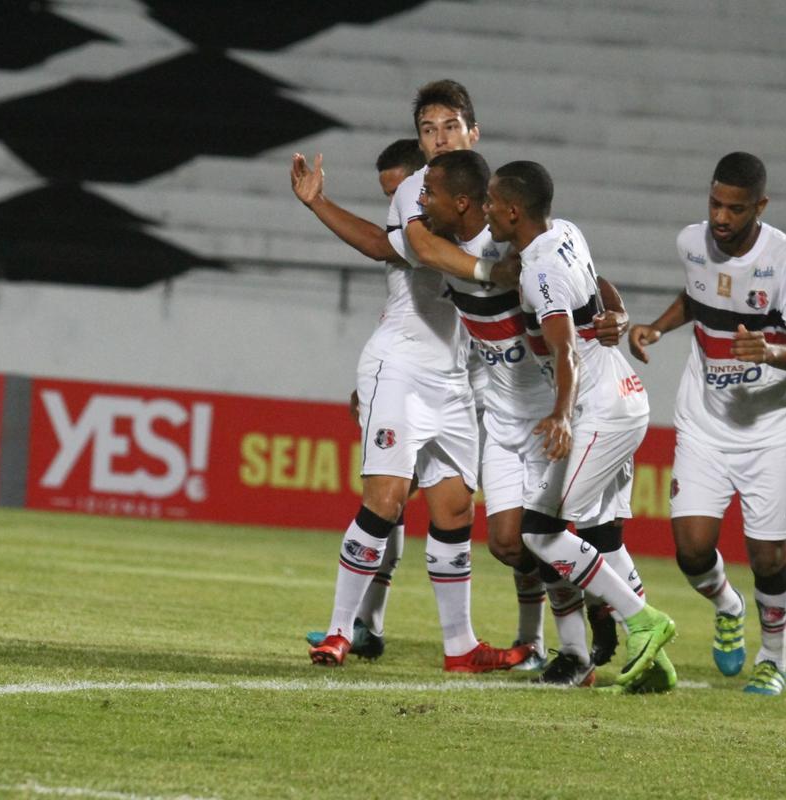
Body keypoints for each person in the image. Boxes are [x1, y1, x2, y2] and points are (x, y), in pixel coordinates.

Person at [290, 79, 532, 672]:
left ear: (473, 131)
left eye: (449, 126)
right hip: (400, 365)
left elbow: (541, 254)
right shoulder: (419, 192)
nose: (439, 137)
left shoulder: (498, 196)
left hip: (456, 378)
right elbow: (416, 249)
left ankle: (460, 647)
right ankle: (342, 631)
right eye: (428, 129)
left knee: (453, 512)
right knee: (386, 499)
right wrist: (491, 269)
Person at [419, 150, 647, 685]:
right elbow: (405, 241)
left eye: (430, 194)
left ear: (475, 203)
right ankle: (597, 609)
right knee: (509, 543)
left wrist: (618, 313)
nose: (421, 205)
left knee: (566, 534)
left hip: (552, 410)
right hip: (502, 417)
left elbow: (592, 283)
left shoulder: (527, 254)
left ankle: (578, 649)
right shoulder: (441, 248)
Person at [627, 151, 786, 696]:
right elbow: (697, 299)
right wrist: (657, 328)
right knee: (691, 549)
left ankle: (773, 659)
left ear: (759, 206)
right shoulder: (692, 243)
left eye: (734, 209)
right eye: (715, 203)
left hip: (771, 427)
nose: (720, 217)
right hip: (705, 420)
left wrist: (770, 351)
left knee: (768, 557)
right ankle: (727, 605)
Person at [484, 160, 678, 693]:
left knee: (543, 533)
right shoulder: (566, 231)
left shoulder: (539, 272)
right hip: (622, 398)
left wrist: (561, 415)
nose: (487, 211)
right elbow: (600, 284)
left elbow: (565, 349)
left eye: (492, 203)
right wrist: (615, 312)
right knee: (595, 538)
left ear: (514, 210)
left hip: (599, 410)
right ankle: (650, 664)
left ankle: (642, 620)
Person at [304, 138, 426, 659]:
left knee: (511, 529)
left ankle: (539, 640)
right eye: (387, 195)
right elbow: (411, 309)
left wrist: (317, 203)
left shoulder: (454, 227)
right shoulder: (417, 233)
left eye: (400, 191)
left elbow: (377, 243)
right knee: (391, 500)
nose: (394, 203)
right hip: (414, 376)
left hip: (469, 385)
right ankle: (364, 627)